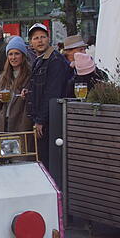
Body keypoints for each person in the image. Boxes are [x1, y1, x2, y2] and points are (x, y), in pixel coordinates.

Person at [26, 23, 73, 161]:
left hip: (50, 121)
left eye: (43, 37)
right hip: (43, 119)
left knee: (48, 161)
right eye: (36, 38)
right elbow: (40, 88)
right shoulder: (39, 60)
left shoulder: (55, 60)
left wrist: (40, 120)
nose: (40, 41)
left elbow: (52, 92)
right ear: (31, 43)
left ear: (48, 39)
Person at [0, 36, 33, 133]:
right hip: (4, 123)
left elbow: (34, 99)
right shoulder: (3, 76)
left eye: (17, 54)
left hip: (21, 123)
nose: (13, 57)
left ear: (23, 56)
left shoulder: (30, 75)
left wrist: (27, 95)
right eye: (10, 54)